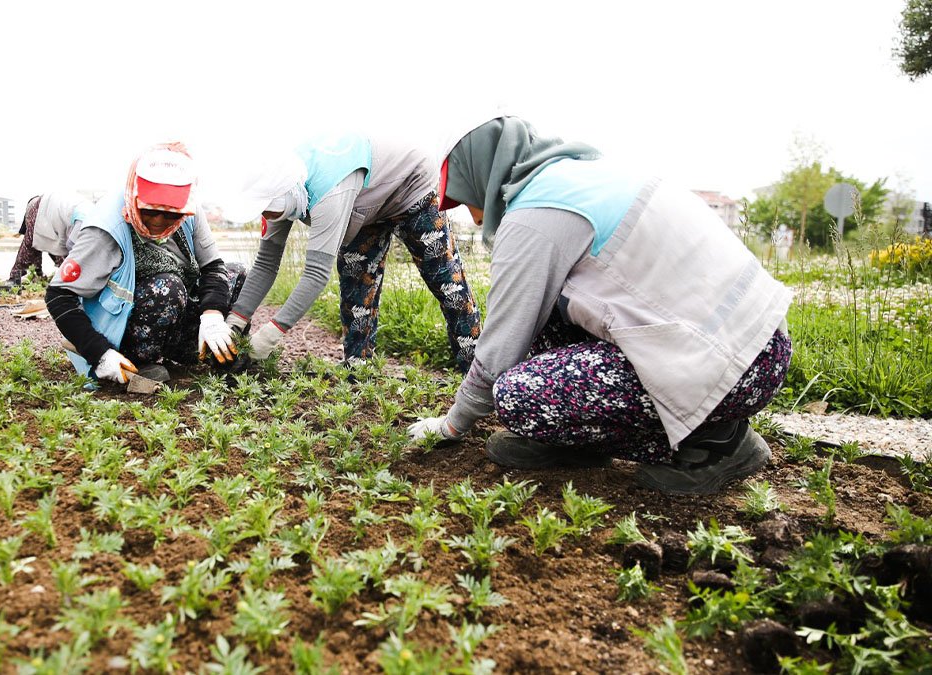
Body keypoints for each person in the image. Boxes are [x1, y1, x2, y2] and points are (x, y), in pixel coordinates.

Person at [407, 116, 793, 495]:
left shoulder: (536, 213)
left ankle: (712, 440)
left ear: (481, 172)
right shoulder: (583, 177)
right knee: (541, 315)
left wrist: (452, 424)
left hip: (732, 368)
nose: (472, 217)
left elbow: (498, 351)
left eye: (464, 196)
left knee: (516, 397)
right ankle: (573, 439)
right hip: (758, 345)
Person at [227, 134, 480, 372]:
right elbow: (265, 263)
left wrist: (270, 334)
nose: (268, 217)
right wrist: (233, 324)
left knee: (448, 285)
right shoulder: (275, 191)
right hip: (364, 203)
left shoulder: (327, 190)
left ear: (288, 194)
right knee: (356, 289)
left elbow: (315, 274)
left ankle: (477, 374)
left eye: (271, 211)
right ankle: (358, 370)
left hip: (411, 187)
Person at [45, 142, 244, 384]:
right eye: (150, 210)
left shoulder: (189, 209)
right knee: (168, 287)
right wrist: (99, 353)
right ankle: (140, 364)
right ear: (134, 197)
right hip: (124, 336)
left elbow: (213, 267)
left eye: (171, 213)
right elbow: (59, 295)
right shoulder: (106, 229)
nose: (160, 220)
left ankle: (216, 349)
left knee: (237, 275)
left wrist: (212, 318)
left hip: (172, 322)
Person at [8, 191, 90, 284]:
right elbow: (71, 245)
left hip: (55, 215)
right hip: (41, 208)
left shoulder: (89, 216)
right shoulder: (85, 218)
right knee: (32, 244)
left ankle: (47, 275)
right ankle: (15, 278)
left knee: (55, 247)